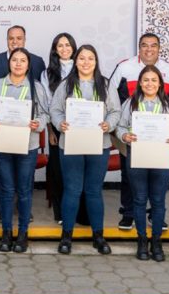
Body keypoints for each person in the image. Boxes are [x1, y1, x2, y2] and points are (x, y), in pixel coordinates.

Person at [109, 33, 169, 231]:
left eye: (153, 46)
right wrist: (117, 126)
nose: (149, 49)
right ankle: (128, 213)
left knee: (156, 177)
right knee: (129, 172)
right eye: (144, 45)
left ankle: (155, 214)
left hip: (159, 139)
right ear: (139, 48)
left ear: (159, 48)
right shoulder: (124, 67)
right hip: (131, 136)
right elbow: (111, 94)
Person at [50, 45, 121, 255]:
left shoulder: (105, 84)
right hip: (70, 143)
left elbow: (116, 111)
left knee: (93, 190)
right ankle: (66, 236)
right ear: (76, 61)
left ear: (96, 61)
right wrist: (60, 122)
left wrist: (109, 124)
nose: (86, 62)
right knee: (72, 190)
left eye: (90, 58)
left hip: (99, 144)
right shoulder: (66, 85)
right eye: (82, 58)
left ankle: (98, 236)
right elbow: (55, 109)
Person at [116, 65, 169, 262]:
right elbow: (120, 127)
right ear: (139, 83)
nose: (149, 84)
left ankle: (156, 241)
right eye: (145, 80)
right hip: (137, 157)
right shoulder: (131, 103)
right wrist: (124, 135)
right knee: (139, 199)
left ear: (160, 84)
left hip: (160, 159)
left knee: (158, 201)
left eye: (154, 80)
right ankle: (142, 240)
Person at [0, 48, 49, 253]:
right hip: (4, 145)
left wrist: (37, 124)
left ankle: (23, 234)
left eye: (23, 60)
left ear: (28, 64)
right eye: (15, 60)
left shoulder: (36, 87)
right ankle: (6, 233)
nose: (18, 64)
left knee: (24, 191)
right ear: (9, 63)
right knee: (6, 190)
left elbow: (45, 115)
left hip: (27, 146)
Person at [40, 33, 77, 224]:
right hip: (57, 128)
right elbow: (46, 103)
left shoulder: (83, 68)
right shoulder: (47, 74)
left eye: (68, 45)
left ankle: (77, 211)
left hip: (79, 128)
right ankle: (60, 213)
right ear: (55, 49)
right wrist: (51, 130)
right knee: (58, 171)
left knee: (76, 170)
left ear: (73, 48)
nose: (64, 49)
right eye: (60, 46)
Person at [0, 25, 46, 92]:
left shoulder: (38, 62)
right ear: (7, 40)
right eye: (11, 38)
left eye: (19, 38)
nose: (14, 41)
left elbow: (41, 91)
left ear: (24, 40)